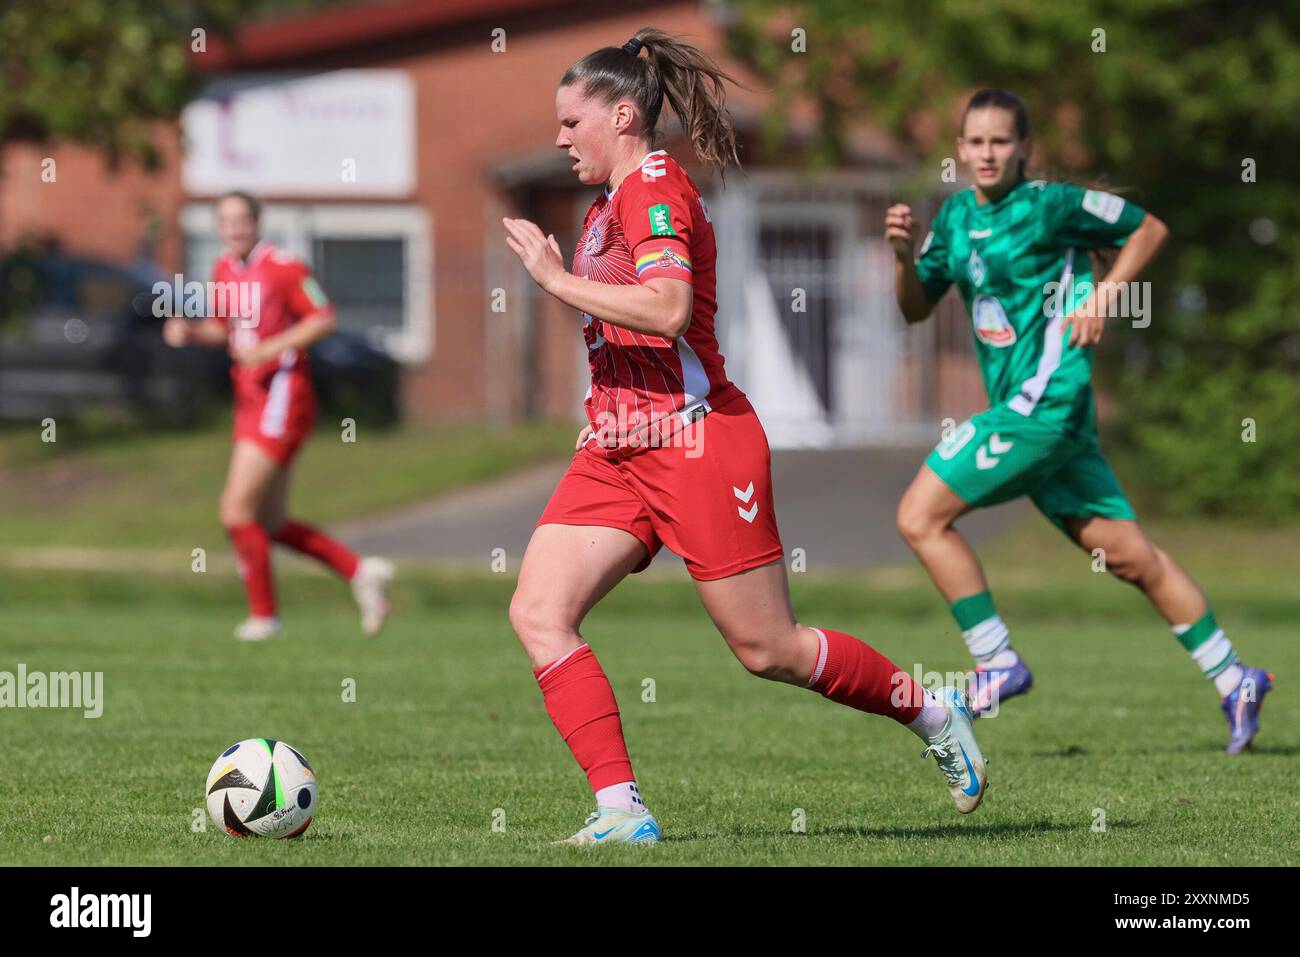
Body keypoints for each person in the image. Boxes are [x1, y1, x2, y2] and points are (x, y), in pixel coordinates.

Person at [502, 29, 989, 847]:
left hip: (696, 444)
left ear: (624, 115)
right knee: (539, 611)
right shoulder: (601, 205)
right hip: (614, 451)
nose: (558, 139)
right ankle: (623, 810)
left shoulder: (655, 187)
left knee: (769, 650)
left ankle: (934, 713)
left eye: (571, 122)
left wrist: (555, 280)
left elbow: (665, 308)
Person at [886, 88, 1272, 752]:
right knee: (1131, 558)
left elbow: (1147, 228)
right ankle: (1234, 676)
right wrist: (901, 257)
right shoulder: (952, 219)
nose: (987, 152)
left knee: (920, 515)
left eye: (1000, 141)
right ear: (959, 149)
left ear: (1024, 148)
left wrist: (1105, 299)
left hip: (1046, 405)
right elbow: (916, 308)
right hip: (1041, 419)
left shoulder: (1051, 206)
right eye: (975, 141)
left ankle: (996, 660)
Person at [163, 191, 394, 641]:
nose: (234, 228)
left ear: (256, 222)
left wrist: (271, 348)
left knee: (235, 510)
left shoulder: (284, 266)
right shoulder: (224, 269)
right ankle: (360, 571)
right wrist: (190, 330)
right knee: (268, 524)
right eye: (225, 220)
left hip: (282, 400)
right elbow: (226, 329)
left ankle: (264, 617)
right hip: (250, 401)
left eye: (241, 219)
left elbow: (323, 318)